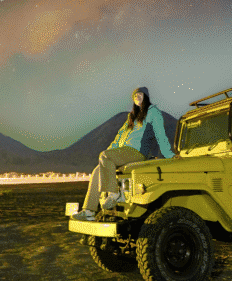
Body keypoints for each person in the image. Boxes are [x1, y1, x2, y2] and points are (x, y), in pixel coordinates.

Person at [72, 86, 174, 221]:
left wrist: (170, 155)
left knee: (105, 156)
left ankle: (113, 193)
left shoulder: (153, 112)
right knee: (97, 170)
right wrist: (107, 154)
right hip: (124, 152)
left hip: (137, 152)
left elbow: (161, 135)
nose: (137, 97)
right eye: (135, 95)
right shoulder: (131, 117)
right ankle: (88, 211)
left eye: (140, 94)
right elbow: (118, 138)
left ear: (146, 97)